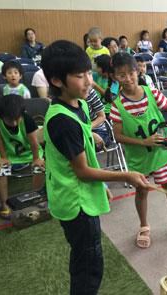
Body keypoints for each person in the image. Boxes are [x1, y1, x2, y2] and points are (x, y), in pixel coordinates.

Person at [41, 40, 147, 295]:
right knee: (89, 265)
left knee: (85, 256)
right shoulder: (62, 121)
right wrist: (126, 175)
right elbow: (83, 171)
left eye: (89, 72)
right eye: (80, 76)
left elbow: (82, 144)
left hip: (82, 194)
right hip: (75, 202)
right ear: (57, 81)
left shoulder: (80, 105)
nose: (89, 80)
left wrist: (90, 134)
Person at [109, 52, 167, 249]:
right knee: (142, 191)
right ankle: (144, 226)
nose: (128, 78)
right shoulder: (116, 106)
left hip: (161, 154)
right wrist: (144, 142)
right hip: (139, 158)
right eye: (121, 75)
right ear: (115, 77)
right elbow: (118, 136)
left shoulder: (152, 92)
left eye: (131, 73)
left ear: (138, 70)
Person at [0, 94, 45, 219]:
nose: (14, 123)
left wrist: (36, 158)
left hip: (30, 152)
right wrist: (3, 157)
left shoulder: (27, 120)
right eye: (9, 119)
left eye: (17, 119)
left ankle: (37, 197)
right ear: (1, 115)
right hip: (8, 153)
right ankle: (4, 204)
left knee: (39, 169)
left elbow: (34, 143)